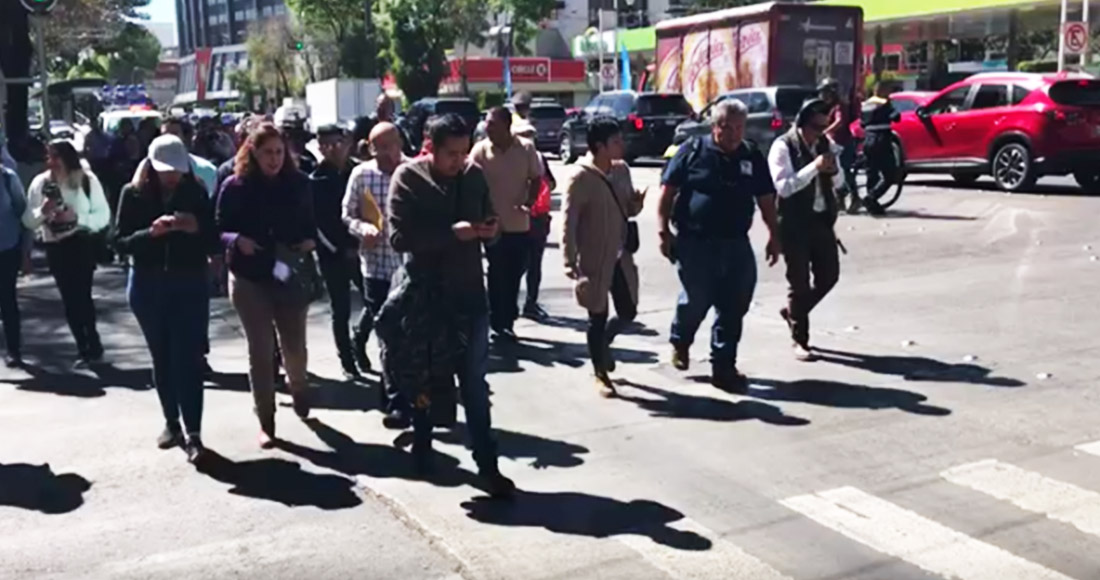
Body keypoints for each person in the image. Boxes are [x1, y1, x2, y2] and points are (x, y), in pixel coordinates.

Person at [383, 113, 514, 497]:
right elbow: (398, 237)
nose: (458, 161)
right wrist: (449, 235)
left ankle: (487, 466)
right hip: (425, 302)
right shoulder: (408, 178)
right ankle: (422, 444)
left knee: (474, 385)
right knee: (426, 381)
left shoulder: (473, 176)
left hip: (471, 298)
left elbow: (493, 223)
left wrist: (490, 230)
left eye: (462, 152)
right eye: (450, 154)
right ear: (430, 147)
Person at [657, 100, 780, 391]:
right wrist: (663, 231)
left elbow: (765, 198)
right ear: (715, 126)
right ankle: (681, 340)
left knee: (735, 303)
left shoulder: (751, 154)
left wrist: (775, 234)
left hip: (736, 242)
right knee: (696, 299)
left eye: (740, 127)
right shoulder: (693, 150)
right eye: (728, 127)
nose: (735, 133)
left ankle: (723, 366)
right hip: (695, 241)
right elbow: (667, 192)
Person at [114, 135, 217, 462]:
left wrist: (194, 226)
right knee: (162, 355)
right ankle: (171, 422)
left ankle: (195, 433)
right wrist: (151, 234)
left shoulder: (196, 191)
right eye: (164, 170)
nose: (171, 176)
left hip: (188, 282)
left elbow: (214, 237)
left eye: (176, 170)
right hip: (147, 283)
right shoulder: (132, 195)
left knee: (188, 357)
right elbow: (118, 242)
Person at [216, 123, 316, 448]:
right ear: (252, 153)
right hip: (248, 277)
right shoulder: (235, 185)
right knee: (260, 351)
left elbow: (315, 222)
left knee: (294, 349)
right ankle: (266, 422)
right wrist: (235, 240)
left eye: (278, 152)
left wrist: (309, 241)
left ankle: (298, 386)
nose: (273, 159)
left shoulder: (299, 184)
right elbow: (216, 228)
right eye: (266, 153)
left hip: (288, 273)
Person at [561, 117, 644, 397]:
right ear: (599, 146)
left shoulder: (621, 171)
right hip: (594, 257)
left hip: (621, 256)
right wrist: (568, 259)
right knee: (597, 315)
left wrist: (636, 204)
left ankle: (604, 343)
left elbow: (627, 210)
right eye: (616, 142)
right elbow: (569, 221)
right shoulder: (580, 176)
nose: (622, 145)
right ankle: (600, 372)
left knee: (628, 311)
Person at [768, 99, 848, 362]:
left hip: (821, 220)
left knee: (829, 276)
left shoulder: (826, 145)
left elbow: (840, 182)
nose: (819, 134)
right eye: (815, 128)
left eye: (823, 128)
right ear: (803, 123)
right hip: (793, 222)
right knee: (799, 282)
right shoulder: (783, 146)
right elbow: (784, 187)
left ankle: (793, 312)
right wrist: (813, 167)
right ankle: (800, 340)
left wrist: (833, 169)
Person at [25, 140, 112, 368]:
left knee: (82, 296)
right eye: (49, 157)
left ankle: (94, 345)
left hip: (80, 243)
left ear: (67, 158)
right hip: (55, 245)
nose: (51, 162)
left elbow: (103, 215)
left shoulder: (86, 180)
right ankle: (83, 347)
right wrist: (43, 211)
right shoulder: (40, 183)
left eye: (56, 157)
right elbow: (28, 221)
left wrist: (76, 219)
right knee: (69, 300)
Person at [343, 122, 407, 425]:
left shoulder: (414, 171)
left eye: (392, 145)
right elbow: (347, 214)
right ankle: (395, 400)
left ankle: (408, 397)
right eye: (380, 147)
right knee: (387, 335)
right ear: (370, 148)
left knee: (408, 337)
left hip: (409, 269)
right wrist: (361, 228)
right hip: (375, 269)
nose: (387, 153)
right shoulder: (361, 174)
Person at [468, 107, 542, 341]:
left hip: (519, 222)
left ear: (507, 125)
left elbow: (537, 177)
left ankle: (508, 315)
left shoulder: (526, 149)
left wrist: (530, 199)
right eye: (487, 125)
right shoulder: (480, 150)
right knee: (497, 272)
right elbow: (468, 179)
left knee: (516, 271)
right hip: (492, 224)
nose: (488, 129)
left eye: (493, 125)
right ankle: (498, 320)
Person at [309, 123, 365, 380]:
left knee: (376, 302)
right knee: (340, 308)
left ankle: (360, 340)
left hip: (364, 249)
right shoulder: (316, 180)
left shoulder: (358, 172)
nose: (333, 150)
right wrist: (340, 249)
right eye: (327, 145)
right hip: (333, 255)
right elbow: (319, 223)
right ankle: (348, 360)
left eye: (338, 143)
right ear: (320, 148)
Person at [512, 123, 555, 322]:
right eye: (523, 135)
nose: (528, 140)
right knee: (518, 263)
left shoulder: (539, 158)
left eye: (530, 135)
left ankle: (531, 303)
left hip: (539, 217)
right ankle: (508, 301)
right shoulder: (511, 159)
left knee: (534, 263)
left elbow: (551, 183)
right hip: (519, 216)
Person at [0, 162, 36, 367]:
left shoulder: (8, 178)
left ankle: (14, 350)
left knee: (7, 300)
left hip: (7, 248)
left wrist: (26, 254)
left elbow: (25, 216)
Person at [857, 82, 898, 217]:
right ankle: (871, 197)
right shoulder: (884, 103)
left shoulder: (866, 105)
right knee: (890, 174)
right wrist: (890, 107)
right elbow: (896, 117)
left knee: (872, 173)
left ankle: (872, 205)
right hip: (882, 140)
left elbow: (862, 123)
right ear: (883, 91)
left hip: (868, 141)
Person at [818, 78, 857, 209]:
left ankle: (855, 197)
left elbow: (839, 122)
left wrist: (824, 131)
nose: (823, 95)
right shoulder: (827, 107)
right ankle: (839, 200)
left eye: (825, 92)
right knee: (833, 171)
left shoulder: (840, 105)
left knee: (845, 170)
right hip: (833, 143)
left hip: (843, 143)